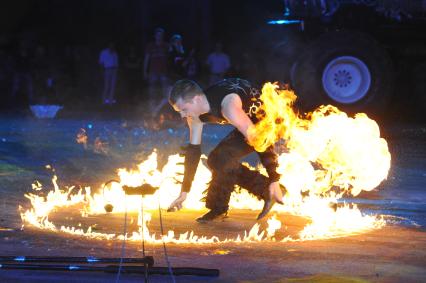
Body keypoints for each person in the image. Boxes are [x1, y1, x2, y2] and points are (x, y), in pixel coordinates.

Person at [167, 78, 284, 222]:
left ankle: (267, 190)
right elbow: (193, 152)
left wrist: (274, 178)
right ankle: (219, 208)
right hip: (251, 122)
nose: (183, 115)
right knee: (218, 159)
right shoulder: (195, 115)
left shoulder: (228, 107)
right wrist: (184, 192)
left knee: (221, 157)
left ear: (196, 99)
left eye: (184, 110)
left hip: (275, 120)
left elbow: (260, 140)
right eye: (180, 112)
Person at [143, 28, 170, 116]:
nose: (159, 36)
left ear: (163, 36)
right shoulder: (150, 46)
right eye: (158, 34)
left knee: (165, 94)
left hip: (164, 73)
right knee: (152, 93)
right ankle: (152, 113)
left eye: (161, 35)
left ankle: (159, 111)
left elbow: (171, 59)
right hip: (153, 72)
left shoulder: (166, 46)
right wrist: (145, 71)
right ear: (155, 36)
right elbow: (146, 59)